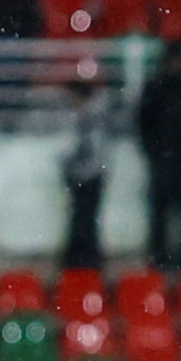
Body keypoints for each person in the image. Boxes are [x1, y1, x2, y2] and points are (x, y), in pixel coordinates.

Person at [138, 45, 181, 274]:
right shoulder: (155, 88)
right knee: (160, 211)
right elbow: (143, 123)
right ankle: (159, 257)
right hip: (162, 158)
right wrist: (153, 151)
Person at [59, 92, 113, 275]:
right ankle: (82, 260)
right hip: (85, 176)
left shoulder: (90, 120)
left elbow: (91, 151)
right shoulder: (85, 119)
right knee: (82, 220)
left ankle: (84, 260)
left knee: (84, 220)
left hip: (88, 177)